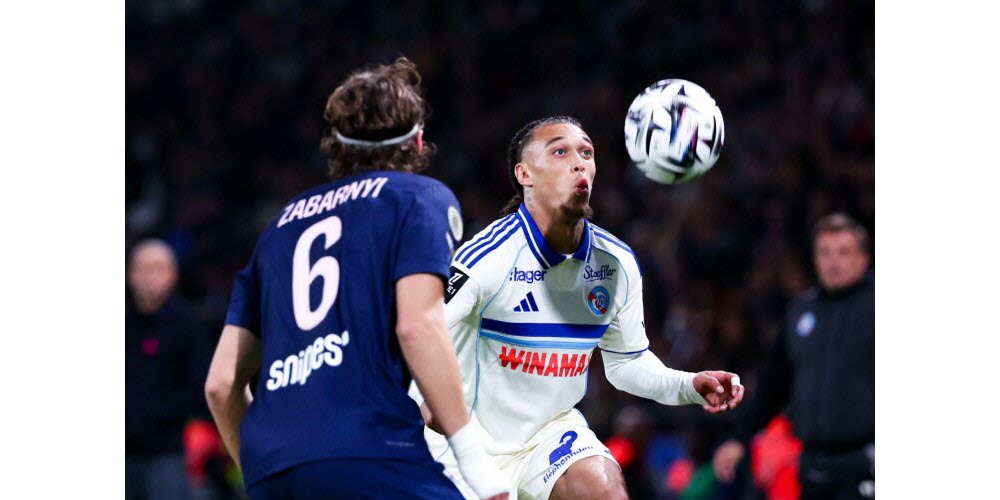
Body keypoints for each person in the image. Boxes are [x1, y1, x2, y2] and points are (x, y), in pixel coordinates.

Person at [204, 57, 509, 500]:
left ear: (335, 144)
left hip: (272, 466)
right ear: (418, 140)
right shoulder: (419, 199)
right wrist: (473, 459)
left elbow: (220, 385)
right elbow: (417, 325)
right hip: (371, 451)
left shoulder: (279, 227)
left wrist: (262, 473)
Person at [411, 116, 744, 500]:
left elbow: (626, 364)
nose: (579, 162)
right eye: (560, 151)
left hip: (549, 435)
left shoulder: (614, 263)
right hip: (466, 443)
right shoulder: (487, 259)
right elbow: (417, 331)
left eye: (586, 152)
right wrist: (420, 401)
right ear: (525, 175)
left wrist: (687, 385)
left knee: (602, 486)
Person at [713, 213, 875, 499]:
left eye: (843, 252)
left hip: (865, 463)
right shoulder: (801, 311)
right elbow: (773, 386)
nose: (833, 262)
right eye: (825, 253)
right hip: (812, 464)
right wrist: (739, 439)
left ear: (863, 258)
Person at [126, 239, 214, 500]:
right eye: (142, 269)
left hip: (168, 451)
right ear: (130, 274)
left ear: (172, 275)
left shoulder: (189, 325)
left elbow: (199, 387)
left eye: (157, 268)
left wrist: (151, 416)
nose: (149, 276)